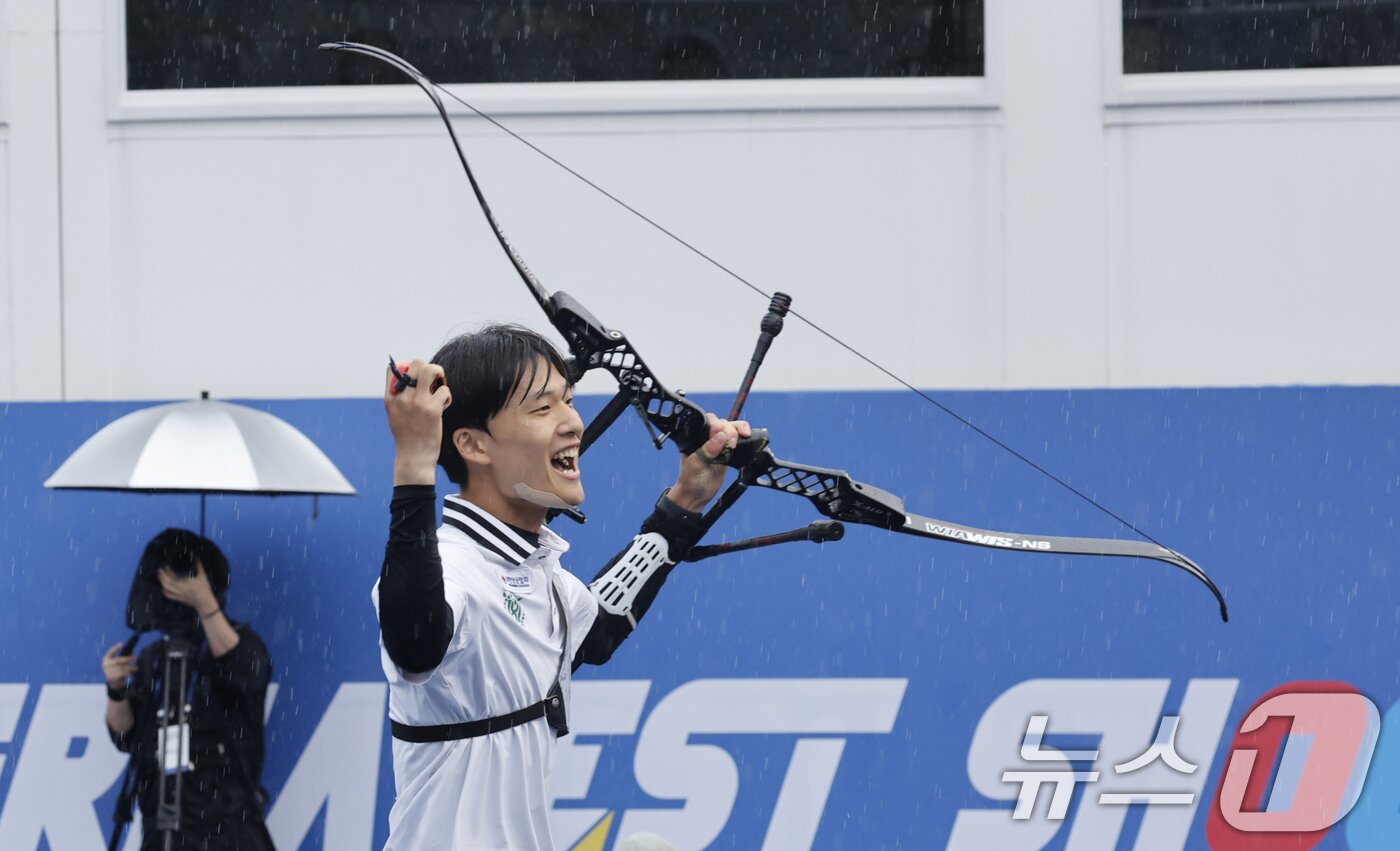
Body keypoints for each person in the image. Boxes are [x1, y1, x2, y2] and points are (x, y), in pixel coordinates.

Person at [377, 323, 749, 850]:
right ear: (472, 445)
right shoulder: (452, 568)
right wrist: (414, 463)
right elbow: (415, 647)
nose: (572, 422)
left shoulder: (542, 574)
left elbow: (596, 633)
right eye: (542, 408)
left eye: (568, 401)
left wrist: (686, 501)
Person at [101, 528, 275, 851]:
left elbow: (242, 671)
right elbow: (125, 737)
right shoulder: (153, 659)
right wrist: (116, 690)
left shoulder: (244, 645)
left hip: (227, 830)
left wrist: (203, 601)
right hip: (163, 832)